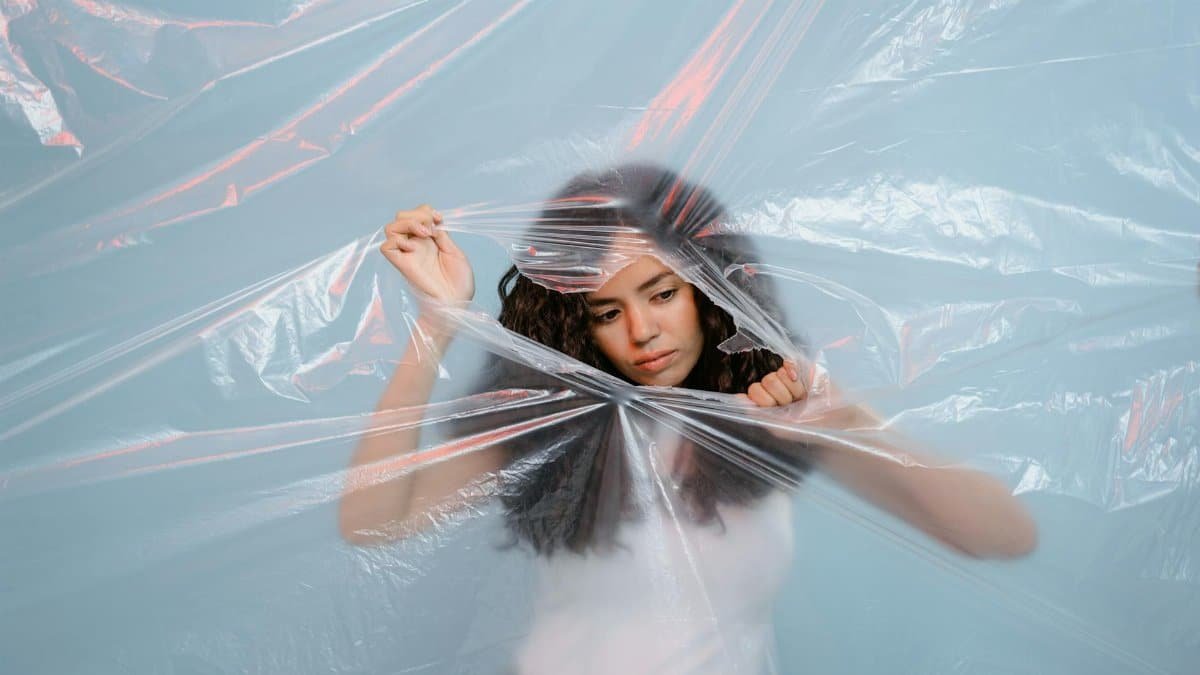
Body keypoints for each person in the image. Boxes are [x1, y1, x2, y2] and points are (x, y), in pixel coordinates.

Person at [338, 164, 1038, 674]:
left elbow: (999, 534)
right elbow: (373, 520)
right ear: (574, 326)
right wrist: (440, 324)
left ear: (708, 284)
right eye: (607, 312)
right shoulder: (555, 426)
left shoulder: (777, 408)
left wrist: (848, 419)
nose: (642, 330)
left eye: (662, 292)